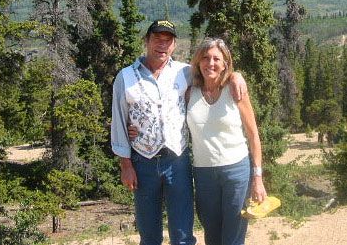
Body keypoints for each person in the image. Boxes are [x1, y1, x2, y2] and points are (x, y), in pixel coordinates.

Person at [111, 20, 246, 245]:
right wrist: (126, 165)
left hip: (178, 161)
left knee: (183, 235)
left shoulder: (184, 73)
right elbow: (118, 122)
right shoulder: (125, 77)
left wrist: (236, 75)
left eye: (168, 41)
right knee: (149, 235)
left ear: (174, 45)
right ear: (146, 41)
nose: (162, 45)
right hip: (142, 162)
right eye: (157, 39)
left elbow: (214, 73)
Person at [186, 37, 267, 245]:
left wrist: (258, 178)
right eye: (205, 58)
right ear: (198, 62)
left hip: (236, 172)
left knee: (233, 238)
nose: (210, 63)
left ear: (225, 64)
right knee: (212, 237)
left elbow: (253, 135)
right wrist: (137, 130)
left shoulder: (235, 90)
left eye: (216, 59)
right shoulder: (189, 92)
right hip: (203, 174)